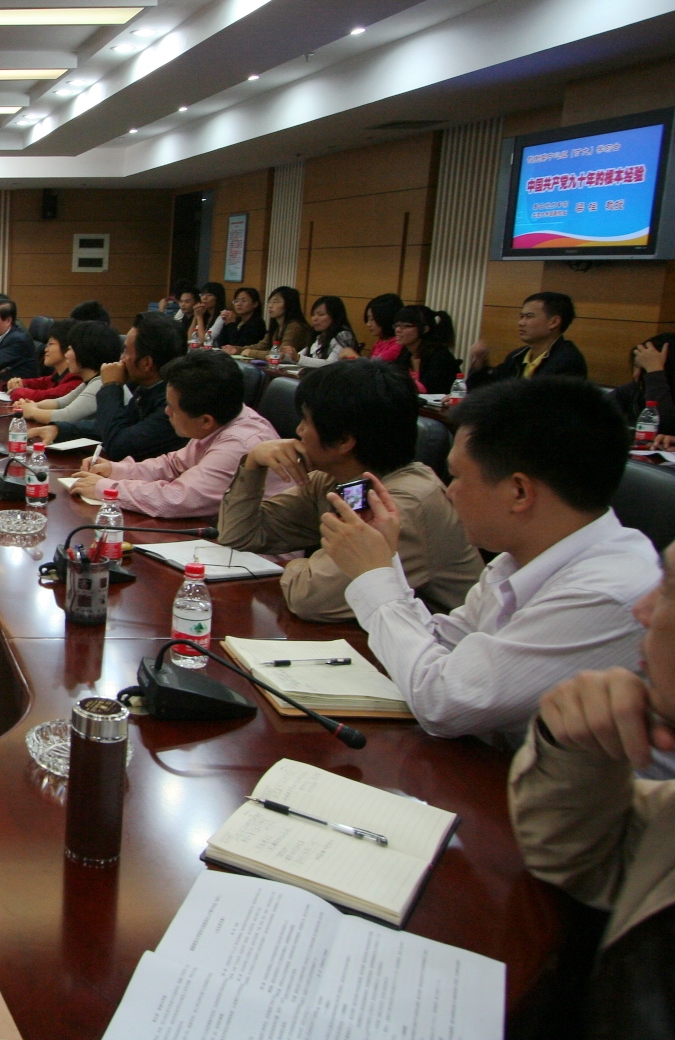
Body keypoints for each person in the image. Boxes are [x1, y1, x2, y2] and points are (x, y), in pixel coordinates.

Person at [319, 376, 659, 745]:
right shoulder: (519, 557)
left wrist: (374, 575)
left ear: (519, 492)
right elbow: (442, 644)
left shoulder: (605, 593)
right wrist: (384, 559)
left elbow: (444, 702)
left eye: (457, 476)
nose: (450, 491)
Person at [508, 539, 675, 1038]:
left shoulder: (602, 585)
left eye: (669, 588)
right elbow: (578, 860)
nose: (642, 611)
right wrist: (577, 750)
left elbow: (452, 698)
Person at [217, 359, 481, 623]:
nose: (298, 431)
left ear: (344, 440)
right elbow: (239, 536)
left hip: (435, 645)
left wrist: (295, 565)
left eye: (306, 421)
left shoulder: (404, 505)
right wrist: (253, 464)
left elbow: (309, 597)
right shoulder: (335, 479)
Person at [69, 349, 280, 518]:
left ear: (205, 420)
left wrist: (108, 489)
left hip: (258, 554)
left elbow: (178, 498)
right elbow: (173, 465)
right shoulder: (220, 419)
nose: (166, 412)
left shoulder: (239, 444)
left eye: (172, 408)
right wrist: (115, 470)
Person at [31, 311, 187, 462]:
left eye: (126, 351)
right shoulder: (147, 390)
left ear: (146, 363)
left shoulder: (172, 405)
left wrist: (111, 385)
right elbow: (108, 425)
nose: (121, 359)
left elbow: (119, 446)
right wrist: (59, 430)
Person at [15, 322, 121, 431]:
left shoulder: (102, 383)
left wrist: (32, 412)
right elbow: (60, 402)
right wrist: (31, 405)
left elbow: (67, 416)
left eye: (69, 349)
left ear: (84, 352)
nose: (66, 355)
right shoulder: (92, 380)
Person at [468, 292, 588, 386]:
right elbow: (484, 390)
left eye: (529, 316)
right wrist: (480, 363)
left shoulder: (567, 362)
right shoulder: (517, 356)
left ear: (554, 322)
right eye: (521, 316)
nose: (521, 323)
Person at [609, 333, 675, 449]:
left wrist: (654, 372)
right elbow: (591, 412)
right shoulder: (635, 389)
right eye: (636, 365)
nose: (635, 374)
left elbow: (666, 427)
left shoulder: (653, 382)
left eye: (643, 368)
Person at [391, 305, 461, 395]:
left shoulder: (440, 355)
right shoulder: (406, 352)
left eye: (405, 326)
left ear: (424, 329)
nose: (398, 330)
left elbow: (428, 388)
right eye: (397, 325)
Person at [6, 319, 79, 401]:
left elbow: (46, 395)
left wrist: (16, 391)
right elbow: (44, 382)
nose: (46, 349)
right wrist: (19, 383)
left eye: (51, 344)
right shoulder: (59, 375)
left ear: (68, 348)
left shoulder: (76, 380)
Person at [236, 286, 311, 360]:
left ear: (289, 304)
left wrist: (252, 353)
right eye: (269, 302)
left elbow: (281, 354)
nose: (270, 306)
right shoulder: (277, 326)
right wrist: (237, 349)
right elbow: (262, 346)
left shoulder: (295, 326)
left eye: (275, 302)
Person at [295, 296, 358, 366]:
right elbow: (299, 356)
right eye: (313, 314)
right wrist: (288, 355)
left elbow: (331, 364)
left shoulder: (343, 335)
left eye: (321, 314)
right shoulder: (319, 335)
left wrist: (298, 358)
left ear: (335, 316)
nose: (314, 318)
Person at [216, 286, 266, 352]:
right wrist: (226, 324)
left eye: (244, 301)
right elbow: (221, 344)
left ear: (255, 304)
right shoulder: (237, 320)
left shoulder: (257, 323)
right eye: (236, 301)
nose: (239, 304)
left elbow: (238, 345)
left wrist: (231, 324)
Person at [359, 293, 405, 363]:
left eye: (372, 319)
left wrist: (353, 355)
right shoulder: (381, 342)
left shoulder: (397, 344)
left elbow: (372, 366)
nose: (368, 324)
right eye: (368, 319)